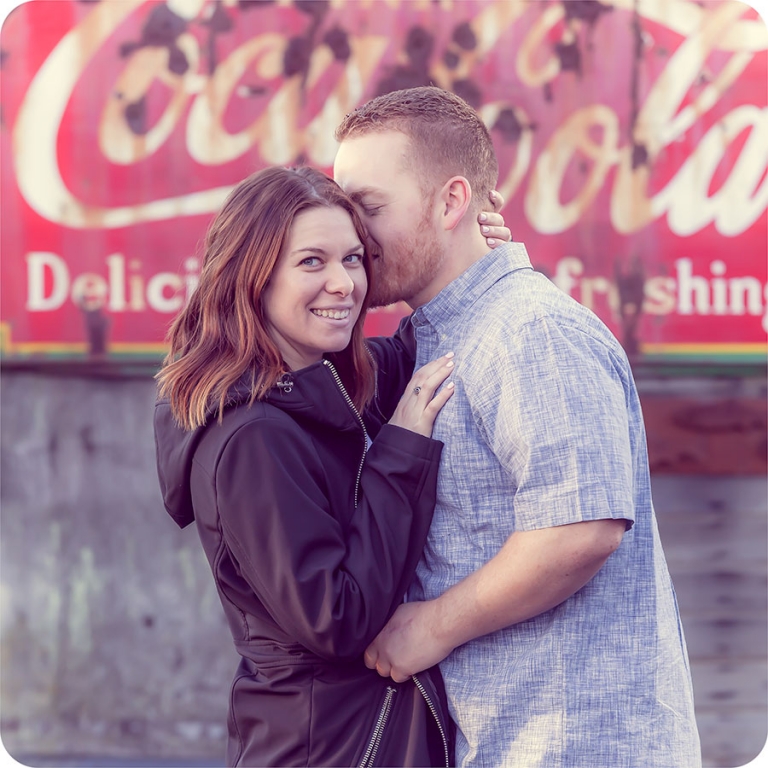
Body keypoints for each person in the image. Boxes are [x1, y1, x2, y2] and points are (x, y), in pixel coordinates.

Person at [333, 86, 702, 768]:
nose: (349, 234)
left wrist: (431, 627)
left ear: (451, 202)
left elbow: (581, 528)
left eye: (367, 210)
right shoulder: (448, 333)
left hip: (577, 745)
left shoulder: (530, 329)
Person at [153, 165, 508, 767]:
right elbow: (336, 618)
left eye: (353, 259)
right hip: (330, 747)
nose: (343, 284)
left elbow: (412, 350)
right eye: (311, 262)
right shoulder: (253, 436)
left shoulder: (322, 385)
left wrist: (471, 252)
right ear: (252, 278)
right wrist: (402, 448)